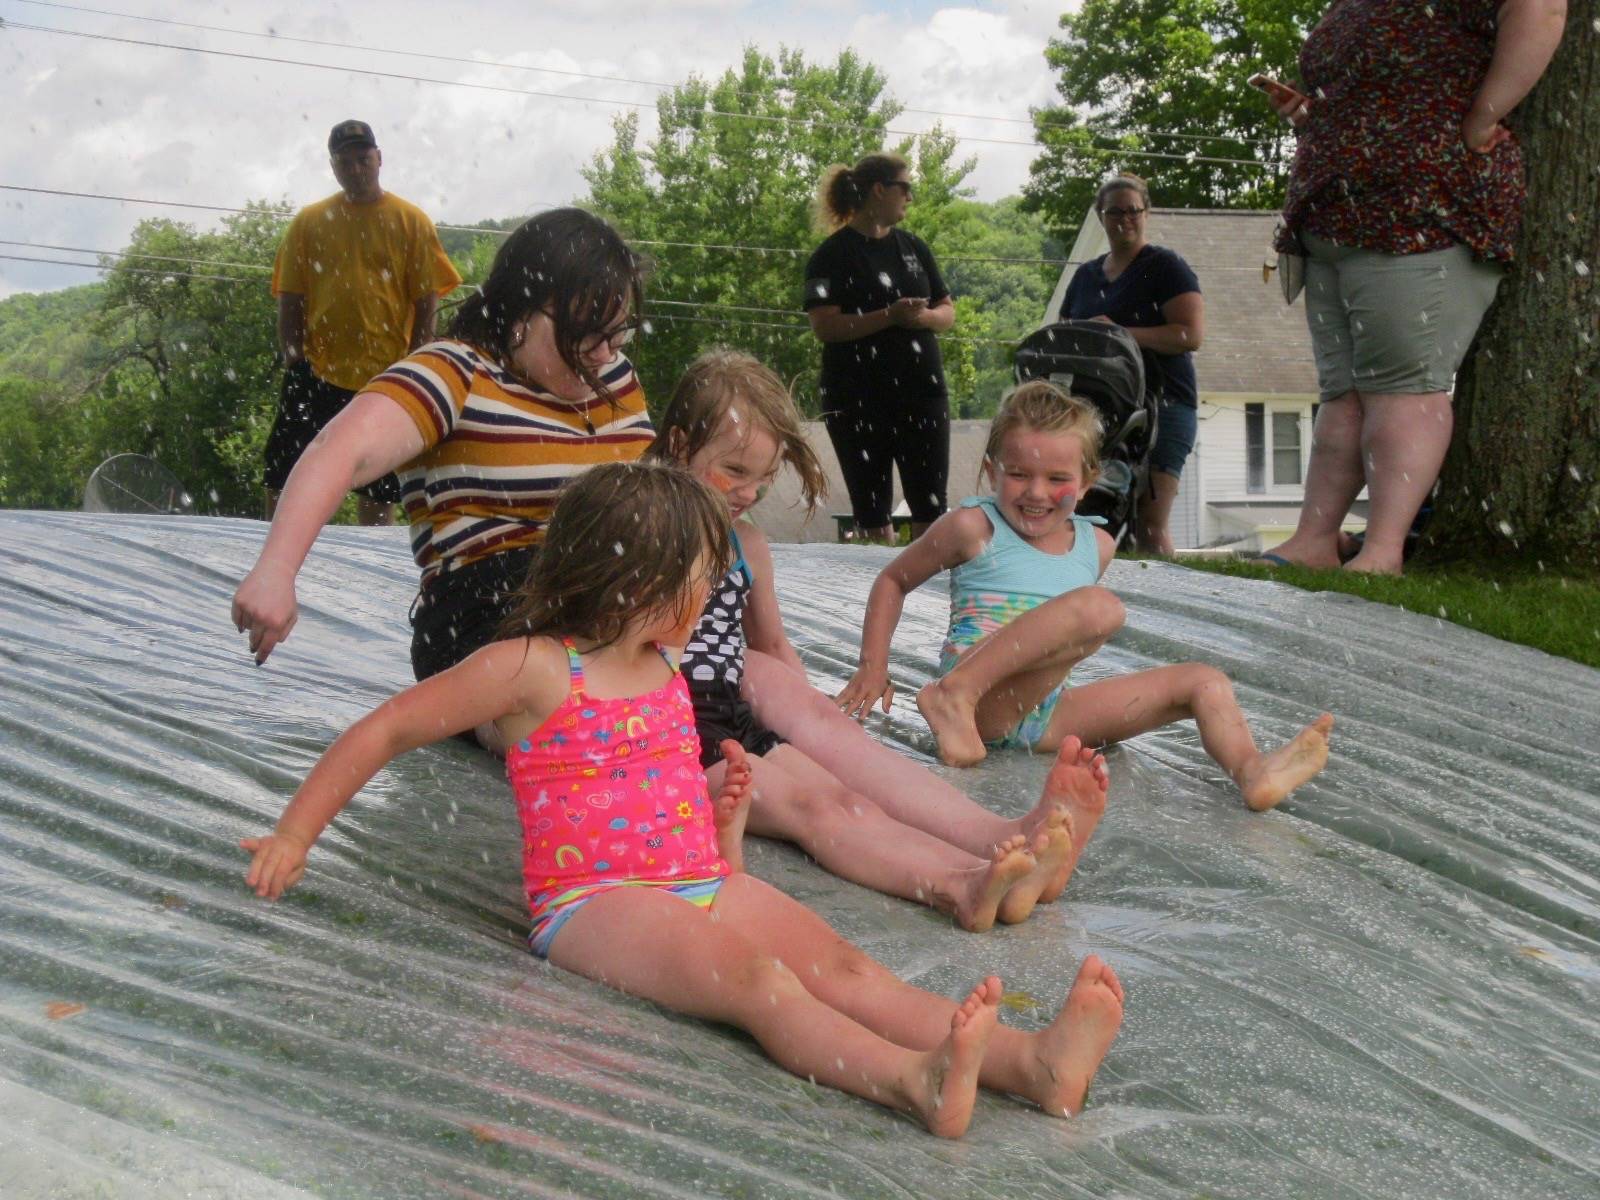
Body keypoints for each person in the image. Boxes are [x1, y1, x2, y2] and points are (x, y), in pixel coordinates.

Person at [240, 461, 1126, 1138]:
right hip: (595, 904)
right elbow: (387, 730)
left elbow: (640, 795)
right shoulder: (535, 667)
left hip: (698, 876)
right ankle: (914, 1081)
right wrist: (295, 831)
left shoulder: (666, 667)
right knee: (758, 983)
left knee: (853, 971)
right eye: (701, 578)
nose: (712, 600)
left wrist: (721, 812)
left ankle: (1031, 1064)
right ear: (635, 581)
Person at [648, 349, 1108, 932]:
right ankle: (958, 886)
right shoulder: (647, 530)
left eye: (763, 480)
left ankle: (1002, 844)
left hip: (728, 713)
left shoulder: (744, 542)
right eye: (735, 472)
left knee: (845, 777)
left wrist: (814, 721)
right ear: (680, 444)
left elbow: (772, 648)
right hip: (666, 734)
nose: (747, 492)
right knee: (819, 807)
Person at [837, 381, 1335, 809]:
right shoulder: (973, 526)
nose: (1035, 492)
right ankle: (952, 696)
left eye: (1057, 479)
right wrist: (872, 666)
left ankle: (1252, 772)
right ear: (991, 471)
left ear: (1088, 481)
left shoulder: (1095, 544)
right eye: (1019, 475)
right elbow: (892, 581)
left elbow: (1055, 644)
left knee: (1203, 681)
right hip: (980, 706)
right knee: (1101, 610)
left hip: (1045, 715)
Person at [233, 208, 652, 710]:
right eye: (586, 333)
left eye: (619, 333)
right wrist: (276, 570)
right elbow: (339, 450)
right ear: (521, 312)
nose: (605, 354)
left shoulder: (615, 378)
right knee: (571, 705)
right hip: (493, 608)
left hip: (614, 601)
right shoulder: (457, 372)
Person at [1259, 0, 1567, 575]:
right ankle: (1315, 539)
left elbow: (1542, 10)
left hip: (1424, 206)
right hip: (1335, 212)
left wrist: (1484, 116)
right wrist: (1314, 118)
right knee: (1344, 393)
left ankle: (1382, 550)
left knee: (1402, 387)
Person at [266, 119, 463, 526]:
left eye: (362, 159)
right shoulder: (310, 221)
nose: (355, 169)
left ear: (379, 159)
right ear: (333, 166)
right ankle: (273, 556)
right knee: (284, 471)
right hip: (317, 373)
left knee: (380, 485)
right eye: (345, 161)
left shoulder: (411, 221)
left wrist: (416, 361)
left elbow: (427, 298)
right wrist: (294, 358)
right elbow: (290, 296)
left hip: (385, 378)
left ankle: (368, 562)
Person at [804, 153, 955, 544]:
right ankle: (876, 590)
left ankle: (929, 593)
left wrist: (921, 319)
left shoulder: (915, 249)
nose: (911, 197)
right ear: (879, 190)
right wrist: (888, 316)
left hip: (922, 393)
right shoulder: (830, 256)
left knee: (931, 504)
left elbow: (947, 310)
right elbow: (824, 326)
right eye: (906, 188)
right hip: (857, 398)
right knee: (870, 507)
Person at [1059, 174, 1204, 556]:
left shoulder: (1166, 266)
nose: (1125, 219)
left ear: (1146, 213)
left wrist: (1119, 334)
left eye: (1133, 211)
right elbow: (1064, 334)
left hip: (1165, 405)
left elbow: (1190, 334)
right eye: (1115, 212)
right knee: (1096, 520)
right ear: (1100, 216)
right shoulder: (1085, 276)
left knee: (1149, 526)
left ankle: (1167, 609)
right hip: (1100, 412)